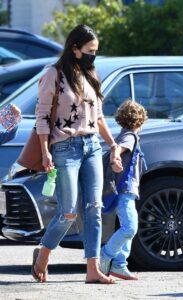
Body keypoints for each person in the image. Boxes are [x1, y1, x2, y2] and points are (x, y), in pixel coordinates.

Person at [32, 24, 122, 284]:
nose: (94, 55)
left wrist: (113, 145)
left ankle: (92, 270)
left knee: (94, 208)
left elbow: (100, 117)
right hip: (64, 148)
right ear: (74, 48)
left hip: (92, 146)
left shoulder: (91, 73)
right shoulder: (54, 74)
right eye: (90, 50)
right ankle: (44, 253)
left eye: (96, 50)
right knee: (68, 211)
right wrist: (45, 151)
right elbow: (41, 116)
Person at [100, 100, 148, 280]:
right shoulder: (130, 137)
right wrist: (116, 158)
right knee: (129, 228)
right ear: (140, 120)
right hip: (125, 191)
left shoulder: (123, 134)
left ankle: (120, 265)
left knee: (127, 227)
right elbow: (118, 150)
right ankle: (105, 255)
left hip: (127, 191)